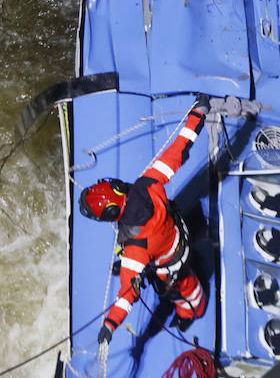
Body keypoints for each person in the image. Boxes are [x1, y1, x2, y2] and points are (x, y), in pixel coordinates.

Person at [79, 97, 209, 345]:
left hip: (171, 263)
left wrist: (109, 325)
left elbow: (126, 296)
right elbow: (177, 151)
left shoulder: (135, 250)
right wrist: (197, 114)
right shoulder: (148, 183)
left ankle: (190, 313)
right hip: (173, 232)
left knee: (187, 291)